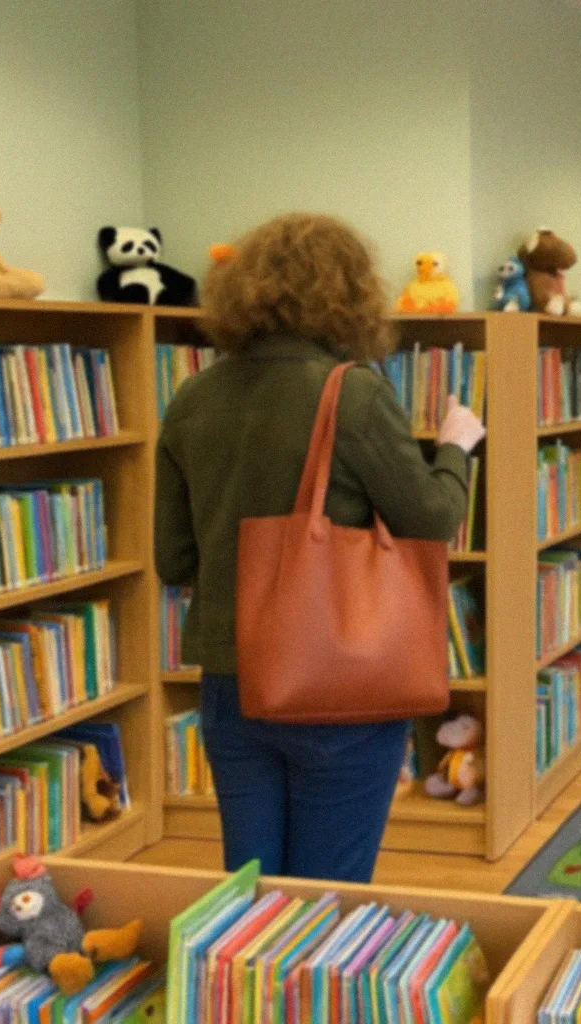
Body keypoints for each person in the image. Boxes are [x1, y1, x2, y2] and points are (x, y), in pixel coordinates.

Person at [155, 213, 485, 883]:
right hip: (337, 682)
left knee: (249, 888)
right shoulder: (353, 393)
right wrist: (455, 447)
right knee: (327, 897)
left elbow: (176, 560)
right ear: (351, 295)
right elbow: (429, 519)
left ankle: (240, 988)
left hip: (231, 683)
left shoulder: (192, 396)